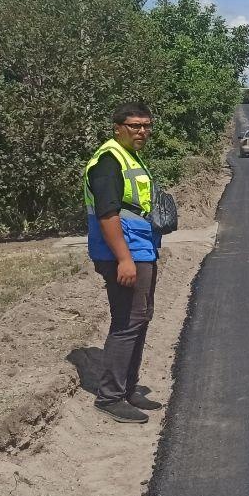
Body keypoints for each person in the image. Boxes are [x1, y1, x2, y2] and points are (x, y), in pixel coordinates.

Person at [83, 102, 163, 425]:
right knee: (127, 320)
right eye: (134, 125)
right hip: (122, 253)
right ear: (118, 127)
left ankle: (128, 388)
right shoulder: (107, 161)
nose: (141, 131)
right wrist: (124, 259)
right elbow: (107, 215)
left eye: (146, 125)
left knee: (141, 316)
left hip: (141, 249)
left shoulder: (130, 157)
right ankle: (110, 396)